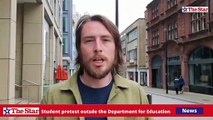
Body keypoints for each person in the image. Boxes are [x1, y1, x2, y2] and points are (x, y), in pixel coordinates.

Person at [37, 14, 150, 120]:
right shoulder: (52, 97)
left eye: (105, 40)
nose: (97, 48)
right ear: (79, 49)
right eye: (89, 40)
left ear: (116, 49)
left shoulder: (137, 94)